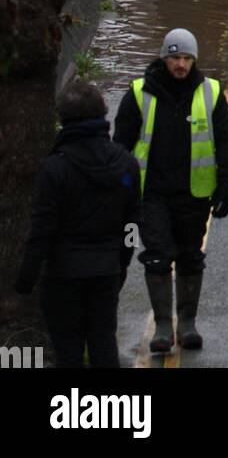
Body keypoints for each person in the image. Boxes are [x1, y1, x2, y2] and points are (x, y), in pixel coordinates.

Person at [114, 29, 228, 353]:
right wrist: (121, 189)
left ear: (194, 60)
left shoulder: (210, 92)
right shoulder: (139, 93)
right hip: (151, 193)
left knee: (190, 256)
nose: (180, 65)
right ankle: (163, 327)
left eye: (186, 58)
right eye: (174, 58)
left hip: (194, 193)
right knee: (156, 256)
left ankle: (187, 324)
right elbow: (121, 145)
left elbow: (225, 141)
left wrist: (226, 182)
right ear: (163, 58)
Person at [15, 79, 140, 368]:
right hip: (106, 270)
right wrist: (122, 261)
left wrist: (26, 278)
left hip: (63, 275)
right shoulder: (126, 164)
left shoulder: (55, 168)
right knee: (104, 341)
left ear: (63, 119)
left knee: (67, 348)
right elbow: (133, 224)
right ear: (102, 114)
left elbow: (42, 230)